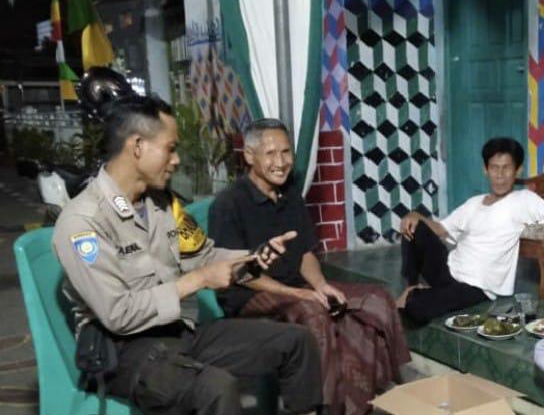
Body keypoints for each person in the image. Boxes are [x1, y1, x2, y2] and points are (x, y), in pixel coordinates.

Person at [52, 95, 324, 415]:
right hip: (123, 351)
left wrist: (251, 259)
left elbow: (203, 255)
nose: (177, 159)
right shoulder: (84, 222)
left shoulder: (163, 204)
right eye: (170, 148)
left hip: (179, 331)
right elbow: (118, 314)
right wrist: (197, 280)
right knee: (216, 388)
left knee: (297, 342)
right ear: (137, 146)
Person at [208, 118, 410, 415]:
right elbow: (238, 274)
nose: (281, 162)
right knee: (314, 312)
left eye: (286, 152)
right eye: (270, 153)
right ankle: (321, 407)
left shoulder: (290, 194)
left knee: (374, 299)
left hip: (296, 288)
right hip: (250, 294)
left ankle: (363, 400)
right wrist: (299, 294)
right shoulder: (228, 204)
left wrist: (320, 285)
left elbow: (304, 252)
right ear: (249, 156)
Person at [397, 137, 544, 324]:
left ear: (518, 170)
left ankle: (420, 296)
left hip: (477, 287)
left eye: (506, 168)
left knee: (416, 308)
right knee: (413, 225)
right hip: (449, 270)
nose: (499, 175)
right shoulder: (474, 203)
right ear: (485, 170)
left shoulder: (523, 200)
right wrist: (415, 215)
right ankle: (411, 286)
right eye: (494, 168)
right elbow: (441, 229)